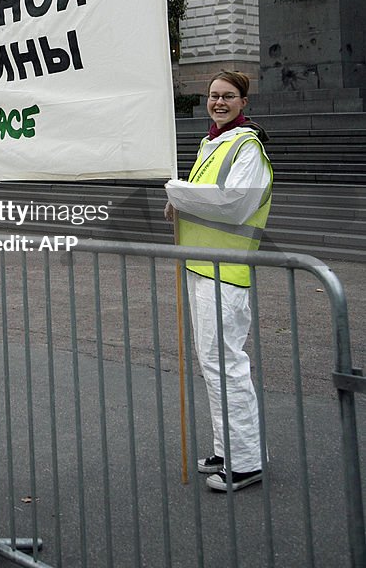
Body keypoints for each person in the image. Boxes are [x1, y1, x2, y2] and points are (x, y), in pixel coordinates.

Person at [164, 71, 273, 492]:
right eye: (213, 96)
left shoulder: (247, 147)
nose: (219, 102)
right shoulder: (213, 143)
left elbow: (234, 203)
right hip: (202, 266)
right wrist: (181, 202)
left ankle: (244, 463)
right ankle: (230, 449)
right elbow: (204, 195)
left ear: (244, 101)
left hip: (224, 270)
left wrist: (178, 191)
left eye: (229, 96)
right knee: (214, 364)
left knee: (223, 364)